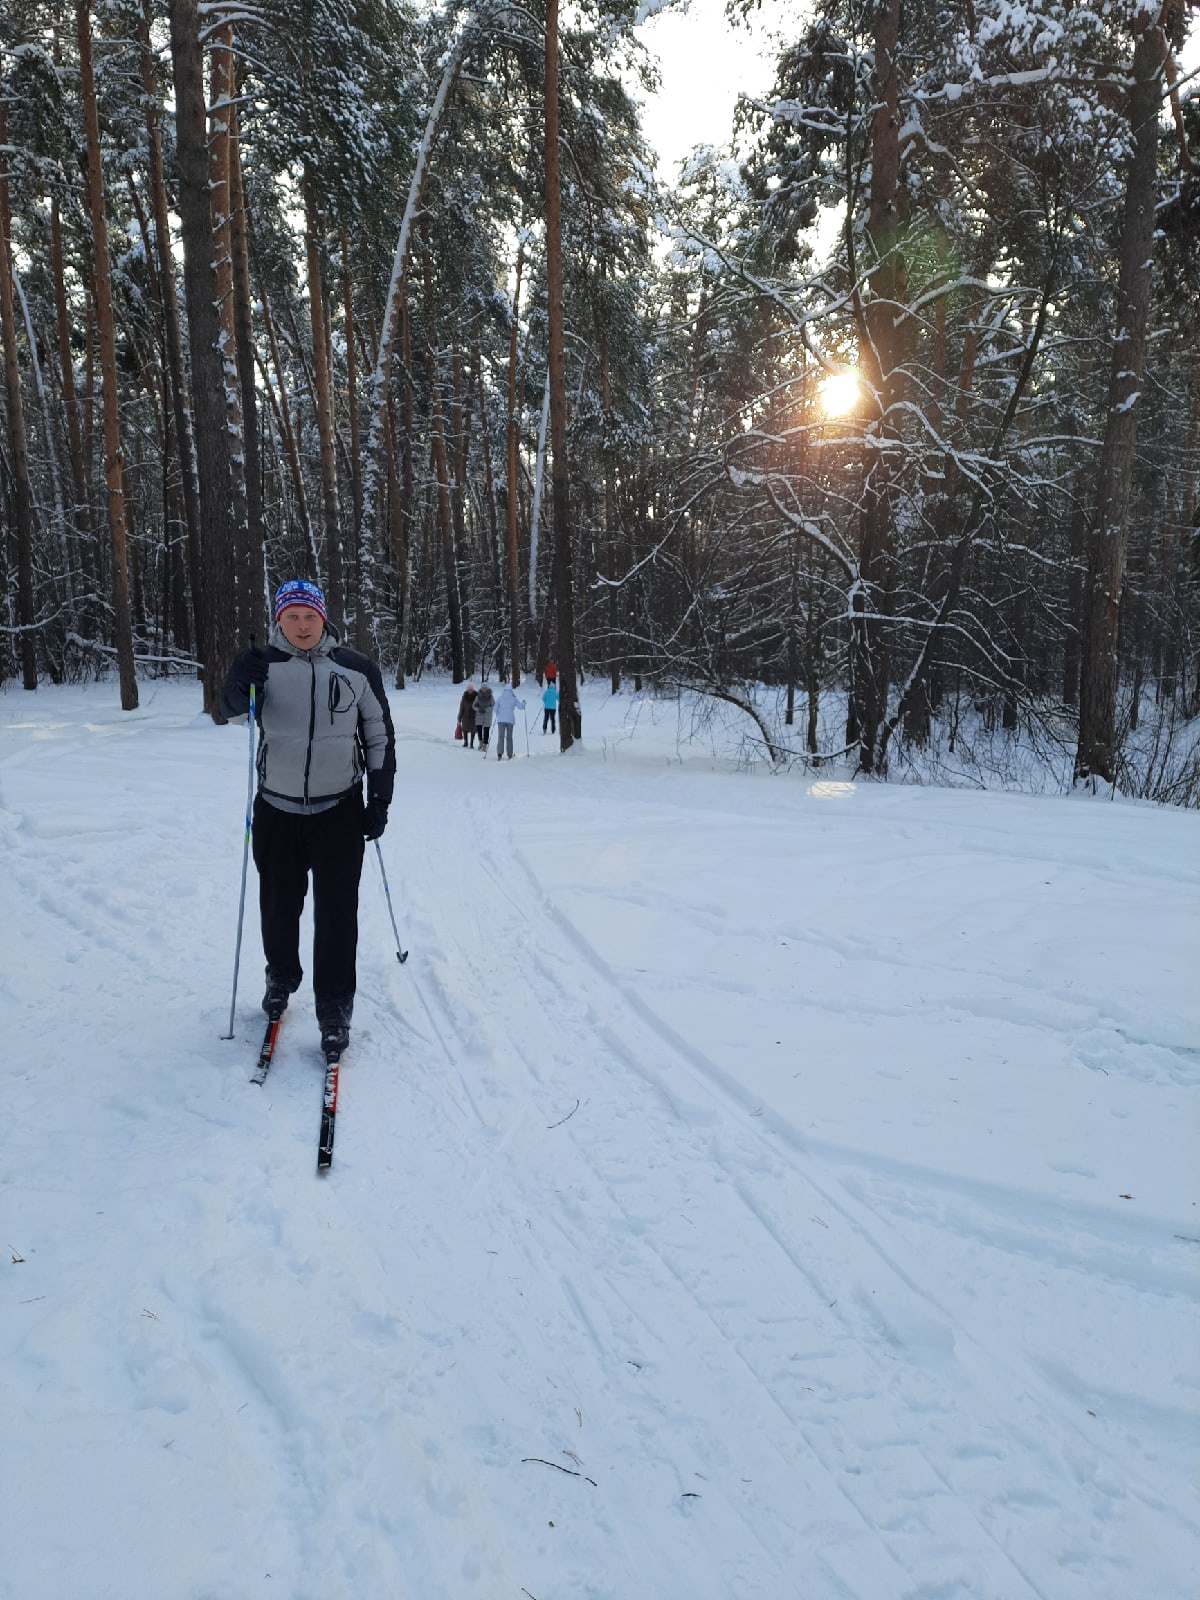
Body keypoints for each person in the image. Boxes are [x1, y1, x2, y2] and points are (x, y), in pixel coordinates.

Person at [221, 578, 395, 1062]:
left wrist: (379, 798)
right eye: (292, 616)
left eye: (309, 616)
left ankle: (334, 1007)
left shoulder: (355, 668)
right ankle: (281, 976)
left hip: (339, 809)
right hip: (277, 808)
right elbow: (230, 712)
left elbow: (379, 734)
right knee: (278, 904)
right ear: (279, 619)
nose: (301, 625)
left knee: (338, 913)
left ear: (324, 618)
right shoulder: (263, 666)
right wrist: (238, 681)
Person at [493, 681, 526, 760]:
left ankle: (499, 754)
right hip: (510, 720)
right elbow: (521, 707)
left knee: (500, 736)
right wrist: (524, 703)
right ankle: (509, 754)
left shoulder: (500, 698)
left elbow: (495, 708)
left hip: (501, 720)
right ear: (511, 690)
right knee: (509, 737)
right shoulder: (513, 698)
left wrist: (499, 713)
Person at [474, 682, 495, 751]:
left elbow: (493, 706)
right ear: (481, 688)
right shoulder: (478, 696)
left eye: (485, 688)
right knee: (479, 730)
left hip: (487, 716)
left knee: (486, 731)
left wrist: (486, 710)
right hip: (479, 715)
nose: (484, 689)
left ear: (487, 688)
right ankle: (480, 742)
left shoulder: (491, 696)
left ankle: (485, 745)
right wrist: (478, 709)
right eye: (483, 688)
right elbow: (473, 705)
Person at [458, 682, 478, 748]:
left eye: (471, 689)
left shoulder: (476, 697)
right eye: (469, 689)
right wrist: (459, 717)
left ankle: (471, 743)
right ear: (467, 690)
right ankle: (465, 742)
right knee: (465, 729)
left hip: (474, 716)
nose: (470, 691)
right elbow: (461, 707)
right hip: (465, 716)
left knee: (473, 730)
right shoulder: (464, 697)